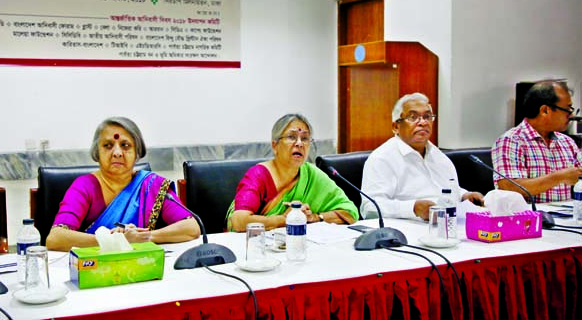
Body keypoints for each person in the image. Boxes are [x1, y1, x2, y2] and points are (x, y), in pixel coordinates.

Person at [46, 117, 200, 251]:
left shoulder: (151, 186)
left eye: (125, 145)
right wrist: (116, 241)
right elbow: (56, 238)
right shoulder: (84, 186)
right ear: (96, 153)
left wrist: (144, 237)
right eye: (108, 145)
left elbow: (191, 227)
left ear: (137, 153)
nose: (117, 152)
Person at [361, 93, 484, 220]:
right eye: (413, 117)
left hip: (447, 226)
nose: (423, 122)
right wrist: (413, 208)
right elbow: (369, 208)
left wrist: (464, 196)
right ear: (396, 126)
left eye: (427, 116)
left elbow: (447, 190)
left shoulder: (439, 157)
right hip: (405, 231)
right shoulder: (382, 159)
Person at [227, 113, 359, 232]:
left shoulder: (311, 174)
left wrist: (314, 217)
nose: (300, 144)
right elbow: (239, 221)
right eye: (292, 137)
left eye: (305, 138)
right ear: (275, 145)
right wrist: (286, 219)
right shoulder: (258, 175)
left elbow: (350, 212)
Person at [491, 80, 582, 203]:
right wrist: (559, 177)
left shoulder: (567, 142)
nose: (570, 115)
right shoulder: (511, 141)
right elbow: (509, 187)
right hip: (528, 219)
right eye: (567, 109)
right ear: (545, 110)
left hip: (565, 218)